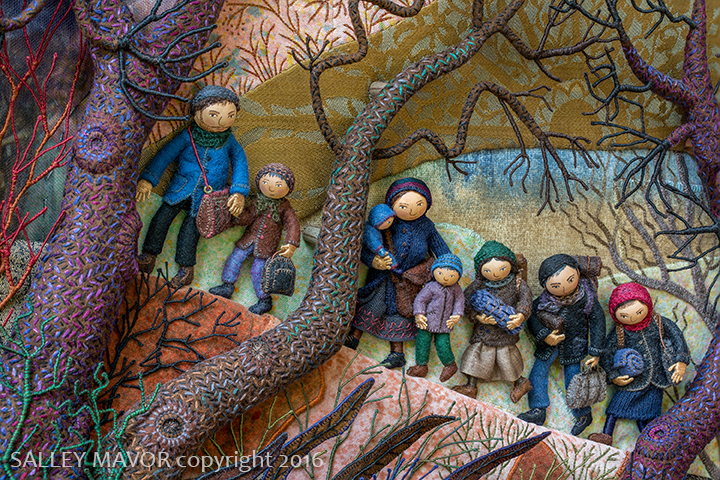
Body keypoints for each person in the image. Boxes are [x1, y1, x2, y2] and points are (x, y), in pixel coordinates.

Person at [136, 86, 249, 288]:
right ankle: (148, 254)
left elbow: (240, 162)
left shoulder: (229, 141)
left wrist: (239, 192)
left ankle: (186, 269)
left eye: (230, 116)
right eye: (214, 115)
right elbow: (165, 156)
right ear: (196, 112)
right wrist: (149, 179)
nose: (221, 121)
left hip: (207, 198)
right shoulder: (187, 137)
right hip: (181, 189)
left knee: (191, 231)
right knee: (161, 219)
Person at [345, 177, 450, 369]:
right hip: (382, 278)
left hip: (409, 282)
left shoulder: (427, 227)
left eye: (419, 204)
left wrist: (449, 269)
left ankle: (397, 354)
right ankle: (352, 338)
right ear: (391, 205)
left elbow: (442, 251)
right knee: (371, 306)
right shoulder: (386, 222)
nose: (412, 210)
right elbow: (364, 245)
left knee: (400, 314)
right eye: (404, 206)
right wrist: (373, 261)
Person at [588, 283, 690, 446]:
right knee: (616, 407)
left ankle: (652, 440)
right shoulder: (620, 331)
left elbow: (678, 338)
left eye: (638, 312)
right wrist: (613, 376)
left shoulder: (659, 323)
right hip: (632, 379)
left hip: (656, 378)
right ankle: (606, 434)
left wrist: (681, 361)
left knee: (650, 412)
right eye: (625, 316)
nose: (632, 318)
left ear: (647, 305)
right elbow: (607, 353)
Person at [518, 254, 606, 436]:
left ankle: (583, 414)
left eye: (570, 280)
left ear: (578, 273)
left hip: (575, 344)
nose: (564, 287)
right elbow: (532, 318)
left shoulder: (587, 298)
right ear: (545, 286)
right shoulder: (543, 302)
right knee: (538, 372)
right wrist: (545, 336)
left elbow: (598, 322)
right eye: (556, 286)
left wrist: (595, 352)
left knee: (574, 380)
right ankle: (538, 409)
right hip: (550, 345)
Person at [209, 163, 300, 314]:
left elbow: (293, 224)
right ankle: (227, 286)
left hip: (266, 245)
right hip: (249, 239)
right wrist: (237, 215)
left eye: (278, 185)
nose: (271, 188)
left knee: (258, 271)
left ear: (288, 189)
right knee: (235, 259)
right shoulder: (258, 201)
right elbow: (249, 216)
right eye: (266, 182)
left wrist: (291, 244)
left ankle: (264, 300)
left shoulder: (285, 207)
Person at [452, 241, 533, 403]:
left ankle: (521, 382)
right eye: (488, 271)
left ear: (511, 265)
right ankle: (471, 386)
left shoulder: (516, 283)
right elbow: (465, 302)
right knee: (476, 357)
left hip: (505, 330)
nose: (495, 274)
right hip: (484, 331)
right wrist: (477, 317)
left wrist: (521, 315)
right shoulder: (479, 285)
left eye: (502, 269)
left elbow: (526, 299)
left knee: (506, 359)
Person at [408, 254, 464, 382]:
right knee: (422, 343)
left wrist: (457, 315)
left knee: (443, 345)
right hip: (427, 322)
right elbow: (420, 300)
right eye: (440, 273)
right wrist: (419, 314)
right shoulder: (431, 287)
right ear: (434, 272)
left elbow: (459, 302)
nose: (445, 278)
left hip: (445, 324)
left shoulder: (456, 289)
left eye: (451, 276)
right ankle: (421, 366)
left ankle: (450, 365)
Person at [363, 204, 398, 271]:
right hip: (374, 250)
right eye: (387, 222)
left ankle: (393, 266)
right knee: (387, 256)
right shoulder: (370, 231)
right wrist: (379, 249)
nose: (389, 224)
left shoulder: (379, 229)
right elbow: (373, 241)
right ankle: (393, 266)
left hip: (380, 248)